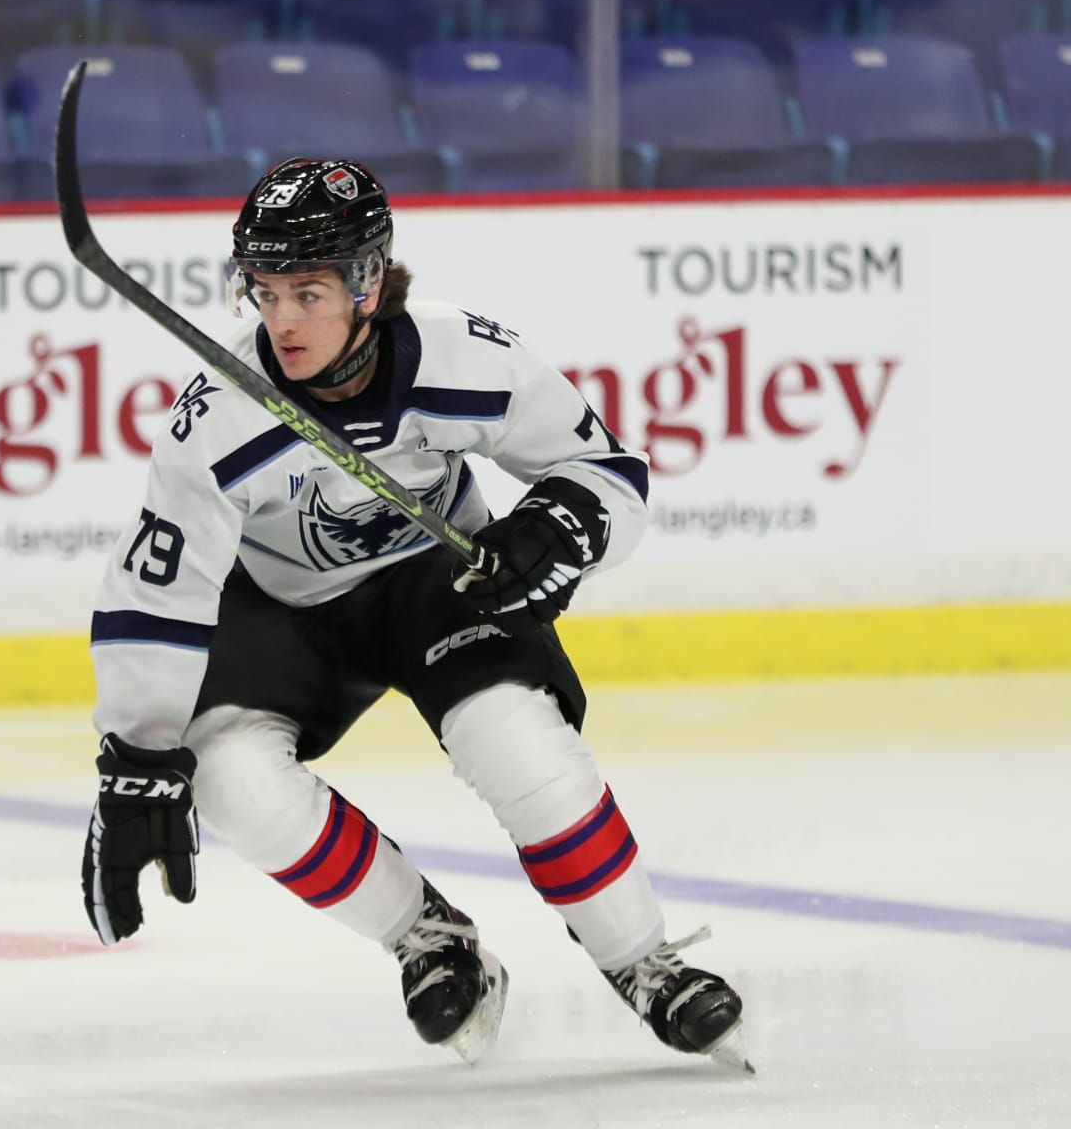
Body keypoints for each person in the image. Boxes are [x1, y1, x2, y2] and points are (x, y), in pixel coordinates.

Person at [78, 157, 750, 1071]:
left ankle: (644, 962)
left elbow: (609, 474)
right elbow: (157, 592)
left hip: (435, 586)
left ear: (366, 282)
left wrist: (557, 524)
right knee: (230, 784)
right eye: (264, 291)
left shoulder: (470, 356)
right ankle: (428, 936)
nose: (281, 321)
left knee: (518, 743)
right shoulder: (218, 418)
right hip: (281, 611)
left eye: (307, 291)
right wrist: (136, 756)